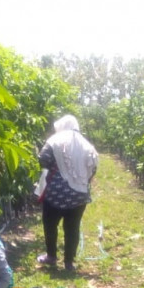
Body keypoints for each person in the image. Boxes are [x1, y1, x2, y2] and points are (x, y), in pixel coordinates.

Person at [36, 114, 98, 271]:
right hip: (79, 194)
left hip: (56, 193)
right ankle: (69, 262)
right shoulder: (86, 144)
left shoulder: (54, 140)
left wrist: (54, 170)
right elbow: (94, 166)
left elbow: (43, 158)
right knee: (73, 227)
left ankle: (51, 256)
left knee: (50, 224)